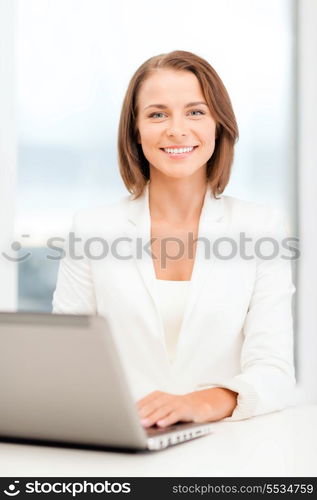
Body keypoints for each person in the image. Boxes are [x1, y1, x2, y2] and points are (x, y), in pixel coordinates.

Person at [52, 50, 296, 428]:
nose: (176, 129)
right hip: (121, 441)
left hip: (228, 448)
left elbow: (276, 373)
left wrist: (199, 403)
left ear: (219, 124)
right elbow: (65, 361)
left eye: (195, 112)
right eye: (157, 114)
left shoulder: (260, 227)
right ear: (135, 129)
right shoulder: (91, 230)